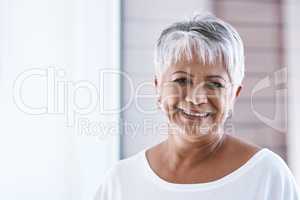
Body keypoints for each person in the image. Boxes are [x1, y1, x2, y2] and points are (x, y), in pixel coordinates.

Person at [94, 13, 300, 200]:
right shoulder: (121, 182)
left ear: (234, 95)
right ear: (158, 87)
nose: (196, 98)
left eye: (214, 84)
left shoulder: (268, 176)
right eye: (181, 80)